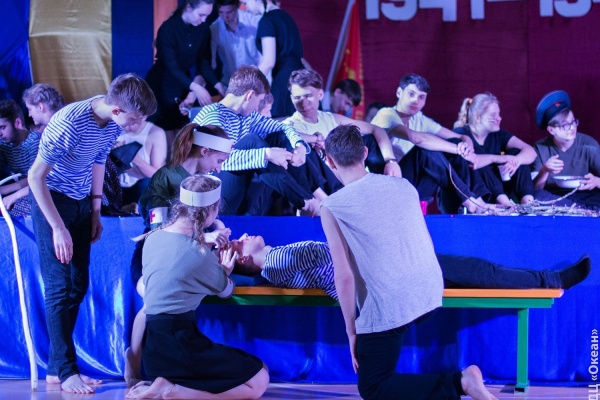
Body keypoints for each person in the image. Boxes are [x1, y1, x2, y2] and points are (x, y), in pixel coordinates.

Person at [319, 124, 497, 400]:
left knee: (373, 387)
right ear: (365, 153)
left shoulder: (332, 206)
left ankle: (461, 382)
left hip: (392, 299)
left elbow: (343, 276)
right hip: (429, 290)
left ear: (330, 161)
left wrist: (351, 331)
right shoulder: (403, 185)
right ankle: (461, 381)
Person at [27, 73, 157, 394]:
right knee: (59, 286)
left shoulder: (112, 122)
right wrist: (58, 227)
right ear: (117, 110)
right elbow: (35, 177)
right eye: (134, 119)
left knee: (78, 284)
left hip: (82, 200)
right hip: (51, 200)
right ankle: (66, 370)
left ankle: (57, 367)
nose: (136, 126)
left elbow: (99, 160)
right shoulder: (68, 124)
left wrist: (96, 209)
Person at [126, 175, 269, 399]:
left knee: (256, 367)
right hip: (180, 345)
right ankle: (172, 391)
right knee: (259, 381)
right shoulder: (199, 255)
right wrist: (225, 270)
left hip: (153, 350)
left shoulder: (153, 237)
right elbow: (226, 290)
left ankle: (166, 384)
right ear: (210, 210)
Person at [126, 123, 234, 386]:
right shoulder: (164, 178)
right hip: (155, 255)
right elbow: (159, 231)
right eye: (219, 160)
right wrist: (204, 237)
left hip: (190, 256)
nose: (219, 168)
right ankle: (134, 363)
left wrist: (217, 229)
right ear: (205, 150)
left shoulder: (206, 182)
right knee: (153, 300)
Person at [229, 234, 591, 299]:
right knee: (482, 272)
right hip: (392, 271)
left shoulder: (276, 262)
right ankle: (553, 279)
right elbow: (337, 268)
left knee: (479, 272)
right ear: (243, 258)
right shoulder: (276, 260)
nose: (243, 235)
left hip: (390, 269)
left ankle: (550, 278)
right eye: (238, 243)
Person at [193, 65, 321, 215]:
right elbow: (220, 162)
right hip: (211, 198)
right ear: (250, 95)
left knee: (278, 137)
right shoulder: (213, 117)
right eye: (259, 100)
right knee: (252, 141)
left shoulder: (247, 116)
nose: (257, 106)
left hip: (238, 195)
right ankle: (306, 203)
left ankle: (308, 201)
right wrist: (266, 154)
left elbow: (282, 128)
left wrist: (299, 145)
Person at [371, 74, 492, 213]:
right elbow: (417, 139)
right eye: (411, 94)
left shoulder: (419, 119)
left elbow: (460, 137)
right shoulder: (386, 114)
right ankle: (468, 199)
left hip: (411, 185)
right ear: (399, 92)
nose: (415, 100)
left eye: (421, 97)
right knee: (424, 151)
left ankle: (476, 200)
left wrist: (467, 146)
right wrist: (459, 150)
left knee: (453, 144)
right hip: (387, 184)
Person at [284, 69, 401, 179]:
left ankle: (385, 184)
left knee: (370, 140)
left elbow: (376, 129)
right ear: (291, 98)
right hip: (325, 183)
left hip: (347, 174)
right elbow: (284, 133)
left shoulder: (330, 118)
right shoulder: (289, 125)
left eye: (308, 96)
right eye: (297, 98)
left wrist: (391, 161)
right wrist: (315, 139)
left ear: (320, 95)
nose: (303, 103)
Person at [145, 0, 216, 149]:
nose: (204, 20)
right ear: (188, 7)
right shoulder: (168, 29)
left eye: (207, 16)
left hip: (183, 84)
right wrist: (195, 88)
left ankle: (179, 163)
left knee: (182, 138)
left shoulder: (203, 29)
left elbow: (204, 63)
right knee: (166, 139)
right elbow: (172, 67)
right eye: (201, 15)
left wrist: (219, 86)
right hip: (161, 86)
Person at [452, 93, 536, 208]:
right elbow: (469, 162)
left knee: (516, 153)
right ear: (477, 117)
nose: (499, 118)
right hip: (478, 193)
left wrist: (516, 160)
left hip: (503, 188)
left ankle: (528, 202)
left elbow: (531, 152)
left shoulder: (498, 134)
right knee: (478, 157)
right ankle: (505, 205)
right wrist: (495, 158)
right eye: (493, 115)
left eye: (499, 114)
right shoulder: (461, 134)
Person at [531, 90, 600, 210]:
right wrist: (544, 170)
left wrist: (596, 181)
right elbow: (535, 189)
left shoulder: (589, 145)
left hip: (587, 196)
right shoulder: (540, 148)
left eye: (573, 122)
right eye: (565, 125)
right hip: (555, 197)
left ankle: (577, 210)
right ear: (551, 130)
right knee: (537, 196)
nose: (572, 128)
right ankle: (581, 210)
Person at [243, 0, 304, 118]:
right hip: (300, 76)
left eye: (245, 3)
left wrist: (246, 85)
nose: (245, 8)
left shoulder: (267, 20)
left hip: (284, 79)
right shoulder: (285, 16)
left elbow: (268, 62)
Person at [209, 0, 262, 97]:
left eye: (229, 12)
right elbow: (211, 62)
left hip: (258, 84)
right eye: (221, 12)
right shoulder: (215, 28)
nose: (225, 17)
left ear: (237, 6)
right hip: (231, 86)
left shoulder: (254, 21)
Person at [115, 117, 168, 210]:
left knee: (148, 183)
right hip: (115, 184)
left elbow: (157, 175)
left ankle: (136, 208)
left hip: (140, 186)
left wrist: (133, 157)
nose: (126, 127)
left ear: (143, 116)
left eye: (131, 123)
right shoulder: (114, 128)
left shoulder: (155, 133)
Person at [0, 99, 41, 216]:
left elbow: (36, 179)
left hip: (37, 190)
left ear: (17, 123)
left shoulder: (34, 142)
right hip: (20, 190)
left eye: (2, 127)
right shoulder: (6, 144)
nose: (0, 133)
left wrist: (4, 190)